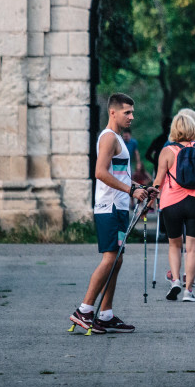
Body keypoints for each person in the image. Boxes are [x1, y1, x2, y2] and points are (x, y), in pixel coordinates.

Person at [69, 93, 155, 334]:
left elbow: (119, 174)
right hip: (108, 208)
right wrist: (130, 189)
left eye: (132, 112)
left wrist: (140, 188)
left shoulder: (117, 138)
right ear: (113, 112)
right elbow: (100, 172)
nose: (132, 116)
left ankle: (105, 315)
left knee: (117, 259)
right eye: (127, 112)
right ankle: (84, 310)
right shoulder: (108, 138)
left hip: (118, 207)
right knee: (109, 258)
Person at [153, 113, 195, 302]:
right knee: (192, 248)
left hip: (172, 204)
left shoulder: (167, 151)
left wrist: (151, 198)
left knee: (174, 245)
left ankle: (176, 280)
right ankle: (188, 291)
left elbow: (158, 181)